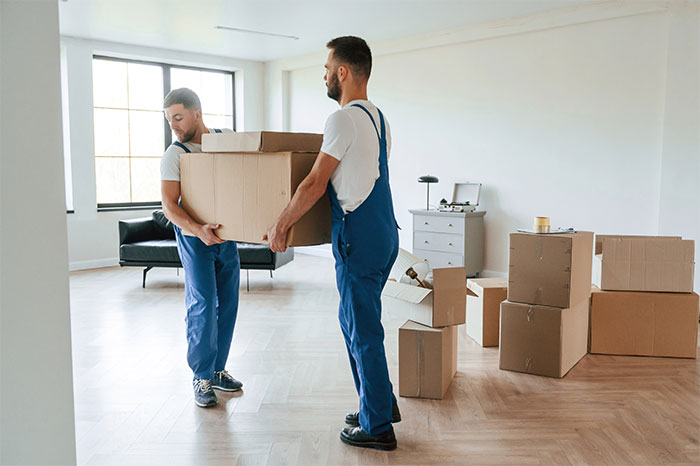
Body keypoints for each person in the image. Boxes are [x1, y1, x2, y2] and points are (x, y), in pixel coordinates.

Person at [264, 36, 401, 451]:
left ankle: (377, 427)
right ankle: (378, 403)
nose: (323, 75)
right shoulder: (378, 118)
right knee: (358, 323)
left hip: (358, 238)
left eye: (327, 68)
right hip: (384, 234)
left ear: (343, 72)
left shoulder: (341, 120)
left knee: (361, 330)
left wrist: (281, 225)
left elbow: (315, 182)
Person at [160, 88, 243, 408]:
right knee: (204, 304)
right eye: (169, 120)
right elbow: (169, 206)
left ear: (198, 114)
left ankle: (218, 369)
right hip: (195, 236)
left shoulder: (226, 138)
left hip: (226, 232)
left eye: (178, 118)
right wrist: (197, 230)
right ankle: (201, 375)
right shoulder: (175, 153)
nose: (174, 126)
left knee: (230, 302)